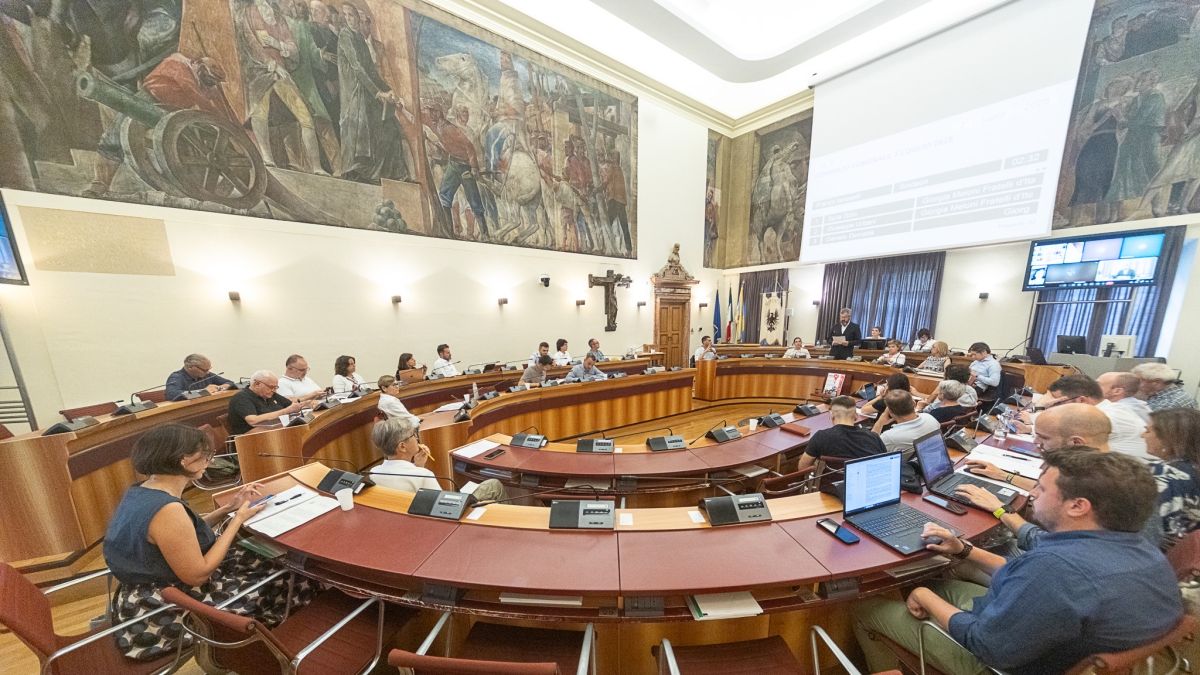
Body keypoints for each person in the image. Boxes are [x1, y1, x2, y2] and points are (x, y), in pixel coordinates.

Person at [853, 449, 1182, 675]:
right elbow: (1027, 574)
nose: (1033, 493)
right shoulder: (1139, 546)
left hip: (998, 663)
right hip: (1048, 641)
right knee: (938, 582)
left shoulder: (1054, 570)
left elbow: (987, 646)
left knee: (866, 607)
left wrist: (924, 597)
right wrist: (963, 550)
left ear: (1078, 506)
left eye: (1041, 488)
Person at [104, 425, 316, 659]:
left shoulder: (144, 490)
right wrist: (238, 519)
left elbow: (181, 535)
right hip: (166, 607)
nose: (210, 462)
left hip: (155, 587)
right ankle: (282, 650)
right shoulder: (167, 509)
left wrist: (228, 508)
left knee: (268, 559)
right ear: (184, 459)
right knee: (293, 575)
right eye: (206, 456)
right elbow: (198, 575)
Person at [961, 404, 1162, 551]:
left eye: (1044, 437)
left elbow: (1045, 543)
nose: (1035, 441)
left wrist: (1001, 510)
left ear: (1076, 442)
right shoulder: (1107, 469)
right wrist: (1002, 475)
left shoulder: (1111, 487)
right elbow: (1054, 489)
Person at [368, 417, 505, 500]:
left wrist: (418, 466)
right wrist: (420, 470)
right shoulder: (423, 475)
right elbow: (442, 507)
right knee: (494, 485)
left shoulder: (374, 473)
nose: (417, 438)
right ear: (402, 446)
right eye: (413, 435)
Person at [1050, 374, 1150, 461]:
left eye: (1058, 403)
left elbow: (1053, 437)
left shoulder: (1106, 416)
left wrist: (1041, 406)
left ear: (1081, 401)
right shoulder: (1111, 408)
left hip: (1130, 473)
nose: (1054, 407)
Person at [1145, 408, 1200, 545]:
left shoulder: (1163, 472)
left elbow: (1151, 532)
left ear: (1167, 439)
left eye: (1148, 431)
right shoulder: (1193, 469)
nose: (1142, 436)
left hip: (1167, 552)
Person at [795, 396, 885, 472]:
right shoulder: (874, 438)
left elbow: (802, 468)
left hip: (829, 486)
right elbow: (884, 467)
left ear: (831, 415)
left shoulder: (821, 437)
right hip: (862, 486)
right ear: (856, 416)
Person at [227, 370, 309, 435]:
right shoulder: (241, 397)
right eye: (271, 387)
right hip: (252, 439)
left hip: (275, 432)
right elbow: (253, 420)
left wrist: (307, 404)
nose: (274, 390)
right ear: (257, 384)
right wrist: (285, 411)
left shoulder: (270, 394)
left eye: (276, 387)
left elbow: (291, 405)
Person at [874, 389, 940, 457]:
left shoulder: (889, 437)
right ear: (914, 404)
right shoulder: (930, 418)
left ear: (890, 411)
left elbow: (870, 448)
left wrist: (880, 422)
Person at [165, 354, 235, 401]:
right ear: (190, 367)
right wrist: (204, 392)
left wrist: (221, 387)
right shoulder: (176, 377)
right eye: (204, 370)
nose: (207, 372)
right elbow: (173, 395)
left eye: (208, 369)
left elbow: (230, 383)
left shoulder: (207, 375)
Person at [1133, 362, 1198, 412]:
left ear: (1157, 382)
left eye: (1139, 381)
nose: (1136, 385)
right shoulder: (1185, 395)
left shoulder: (1168, 405)